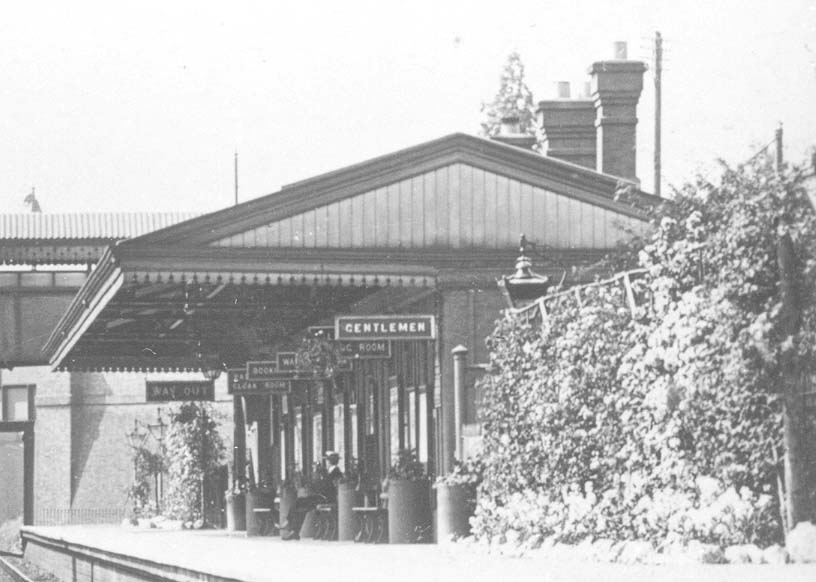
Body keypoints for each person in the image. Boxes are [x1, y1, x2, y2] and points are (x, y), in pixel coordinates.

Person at [280, 453, 344, 540]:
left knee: (301, 504)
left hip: (325, 498)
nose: (327, 463)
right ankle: (292, 528)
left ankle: (290, 526)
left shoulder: (335, 472)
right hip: (320, 496)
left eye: (328, 460)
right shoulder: (328, 472)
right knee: (300, 505)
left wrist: (320, 479)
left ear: (330, 462)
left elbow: (328, 486)